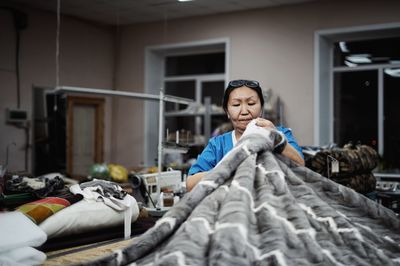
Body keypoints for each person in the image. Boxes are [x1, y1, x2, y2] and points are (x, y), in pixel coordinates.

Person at [186, 79, 305, 191]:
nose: (244, 111)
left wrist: (275, 138)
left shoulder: (281, 134)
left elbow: (300, 166)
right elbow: (190, 184)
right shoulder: (218, 145)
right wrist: (230, 169)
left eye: (251, 103)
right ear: (227, 112)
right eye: (236, 105)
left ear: (261, 109)